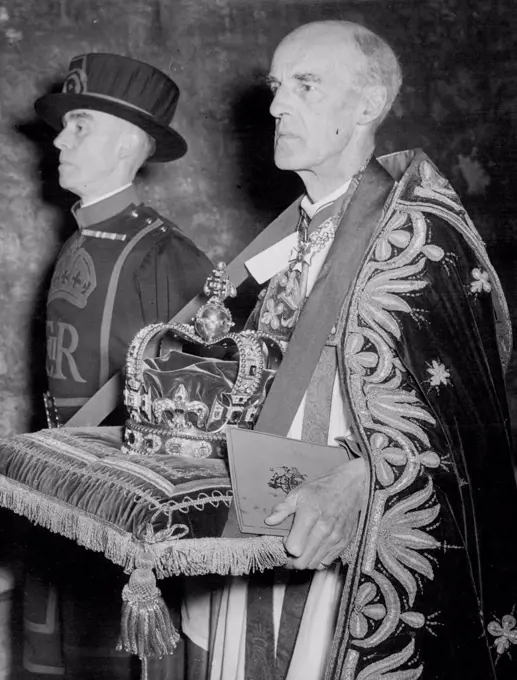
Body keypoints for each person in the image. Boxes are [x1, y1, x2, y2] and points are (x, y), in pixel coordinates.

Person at [181, 20, 517, 680]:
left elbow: (472, 423)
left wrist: (365, 477)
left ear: (367, 105)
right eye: (278, 87)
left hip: (350, 551)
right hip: (266, 521)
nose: (277, 105)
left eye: (305, 85)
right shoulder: (296, 232)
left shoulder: (419, 237)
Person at [23, 53, 212, 679]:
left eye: (80, 125)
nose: (59, 139)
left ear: (130, 142)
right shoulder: (81, 238)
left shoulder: (163, 255)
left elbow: (197, 425)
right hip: (63, 496)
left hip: (123, 517)